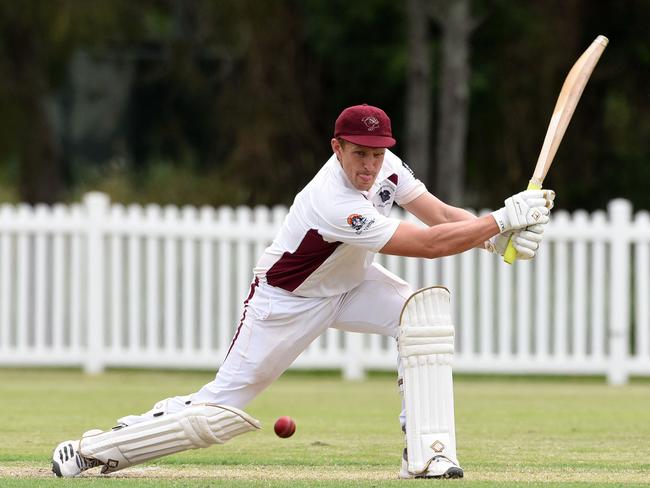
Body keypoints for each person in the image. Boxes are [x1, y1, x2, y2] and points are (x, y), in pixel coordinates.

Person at [51, 104, 554, 479]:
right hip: (287, 302)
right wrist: (502, 219)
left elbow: (442, 218)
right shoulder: (331, 202)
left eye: (377, 154)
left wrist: (495, 239)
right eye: (359, 154)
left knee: (421, 314)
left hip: (352, 284)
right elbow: (425, 245)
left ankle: (427, 454)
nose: (370, 166)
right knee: (220, 410)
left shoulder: (389, 167)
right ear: (336, 148)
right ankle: (97, 448)